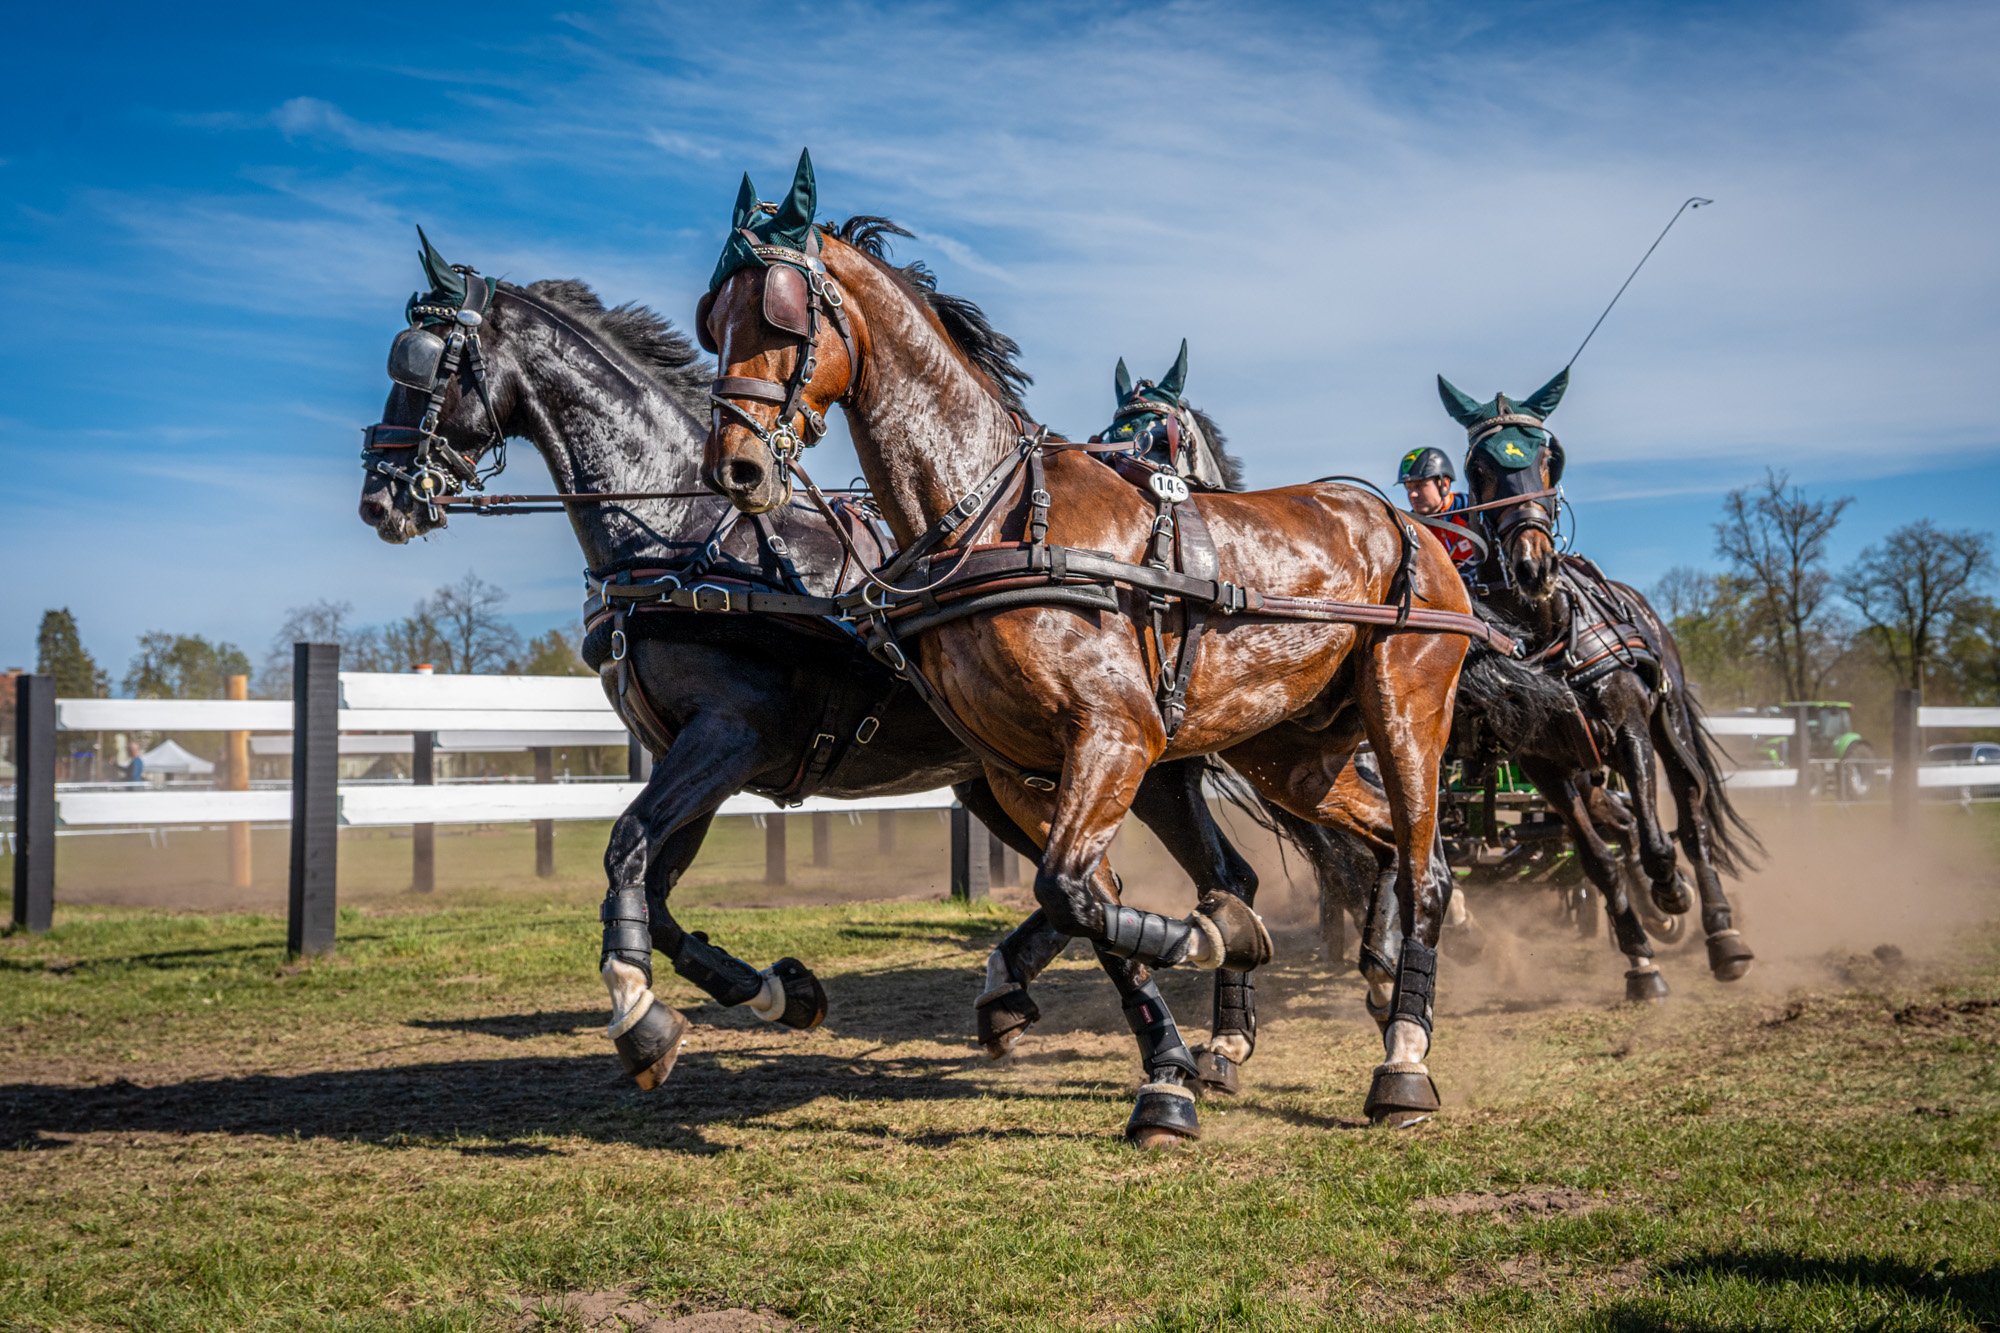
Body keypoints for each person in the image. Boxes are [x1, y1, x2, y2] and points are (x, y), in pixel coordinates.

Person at [1396, 446, 1481, 577]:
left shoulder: (1474, 511)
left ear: (1444, 484)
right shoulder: (1409, 529)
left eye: (1419, 485)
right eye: (1408, 487)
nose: (1412, 494)